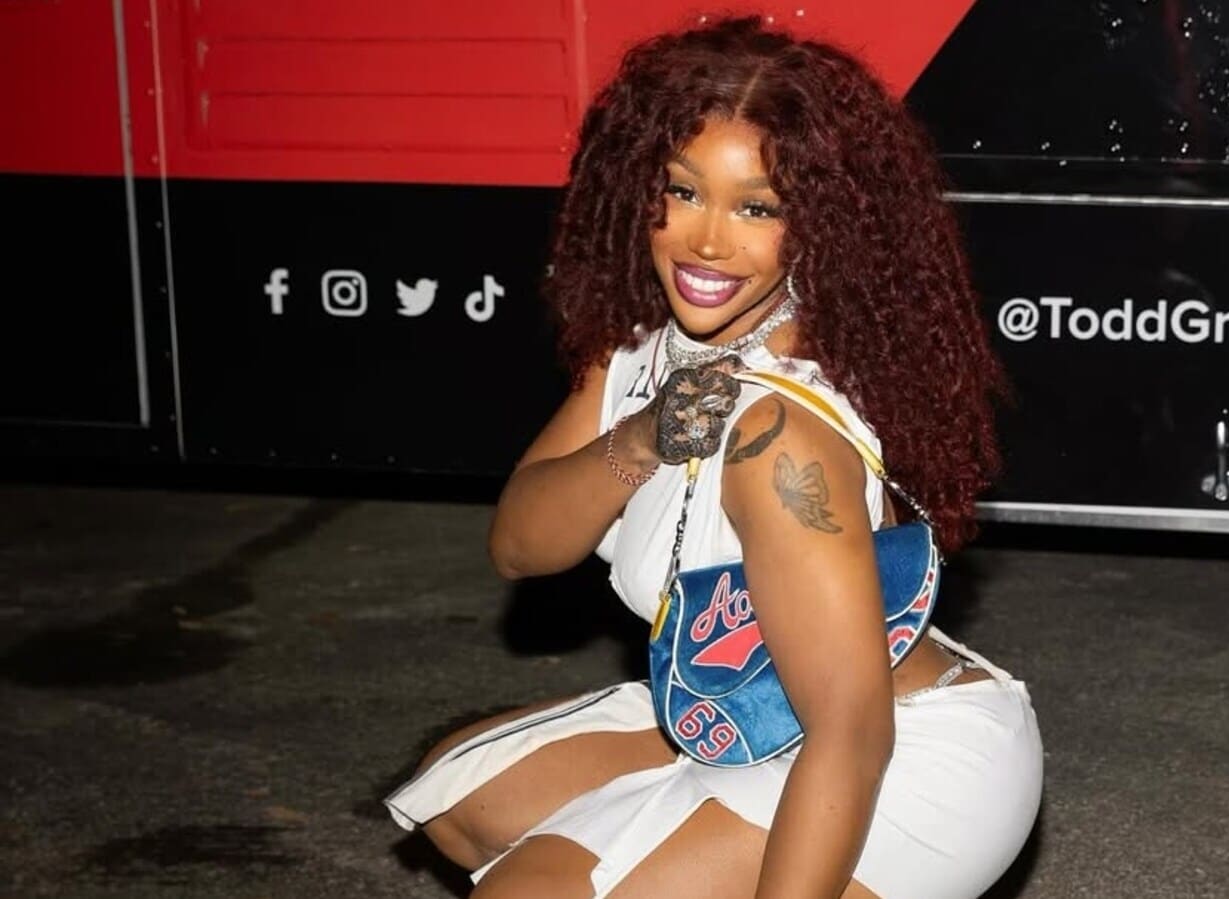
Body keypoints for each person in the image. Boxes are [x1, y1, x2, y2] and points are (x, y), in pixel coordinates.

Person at [385, 16, 1043, 898]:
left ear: (818, 226)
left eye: (757, 208)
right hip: (739, 709)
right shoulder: (643, 350)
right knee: (463, 800)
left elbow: (851, 737)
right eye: (683, 191)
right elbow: (520, 547)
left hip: (903, 759)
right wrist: (643, 436)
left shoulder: (780, 436)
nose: (706, 240)